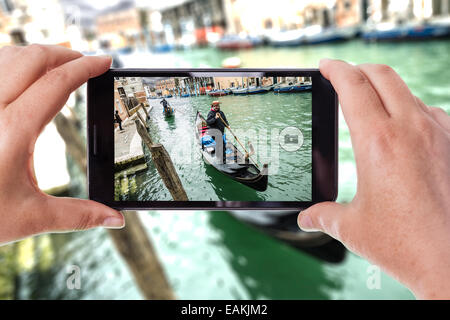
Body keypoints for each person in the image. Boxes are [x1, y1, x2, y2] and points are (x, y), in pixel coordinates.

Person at [0, 45, 449, 299]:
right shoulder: (208, 125)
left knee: (230, 154)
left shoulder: (214, 122)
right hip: (219, 146)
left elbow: (222, 133)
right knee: (226, 155)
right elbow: (217, 135)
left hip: (221, 146)